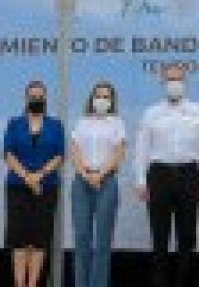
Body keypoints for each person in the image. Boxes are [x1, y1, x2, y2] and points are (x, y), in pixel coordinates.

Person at [134, 64, 199, 287]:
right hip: (159, 175)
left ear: (185, 82)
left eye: (178, 79)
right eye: (170, 80)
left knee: (187, 239)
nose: (174, 84)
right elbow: (142, 148)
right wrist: (141, 180)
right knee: (159, 239)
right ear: (162, 83)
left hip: (189, 174)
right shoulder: (151, 113)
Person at [3, 80, 66, 287]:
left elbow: (59, 155)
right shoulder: (14, 123)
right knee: (19, 242)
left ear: (45, 98)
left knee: (39, 241)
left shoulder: (56, 125)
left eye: (40, 96)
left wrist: (38, 176)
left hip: (46, 187)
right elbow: (9, 154)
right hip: (17, 188)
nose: (36, 99)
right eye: (33, 96)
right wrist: (27, 177)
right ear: (26, 98)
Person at [71, 81, 127, 287]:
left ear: (111, 100)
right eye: (98, 95)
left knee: (103, 240)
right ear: (92, 98)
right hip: (81, 182)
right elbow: (74, 150)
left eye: (106, 96)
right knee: (82, 237)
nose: (101, 100)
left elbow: (120, 152)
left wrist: (101, 174)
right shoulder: (82, 121)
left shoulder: (117, 122)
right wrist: (85, 174)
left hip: (107, 182)